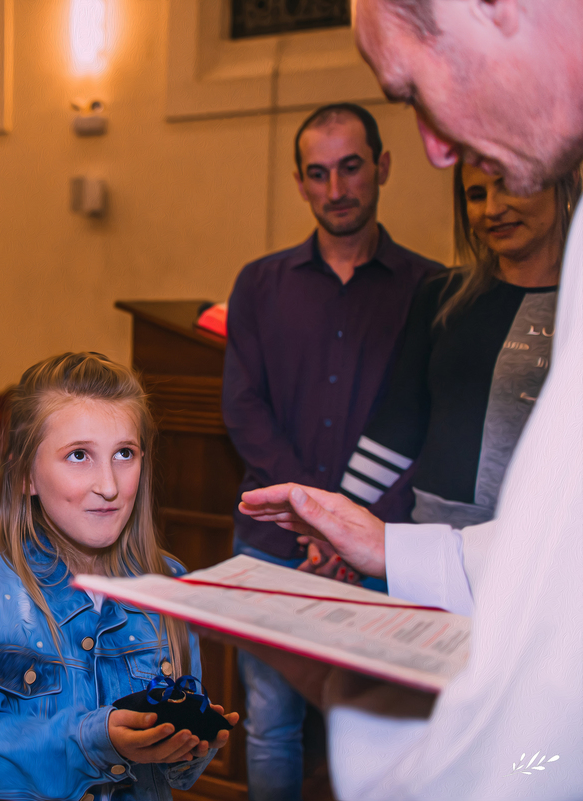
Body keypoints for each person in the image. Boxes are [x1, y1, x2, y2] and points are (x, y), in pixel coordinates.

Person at [233, 0, 583, 797]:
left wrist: (361, 700)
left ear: (494, 10)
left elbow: (537, 751)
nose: (438, 149)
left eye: (413, 87)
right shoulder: (275, 283)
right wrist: (385, 544)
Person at [220, 101, 442, 800]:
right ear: (299, 181)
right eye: (318, 174)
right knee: (271, 724)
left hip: (383, 551)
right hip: (271, 542)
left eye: (350, 168)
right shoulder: (260, 282)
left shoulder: (435, 290)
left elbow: (428, 429)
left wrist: (355, 533)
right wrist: (315, 519)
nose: (336, 189)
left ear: (382, 166)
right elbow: (243, 407)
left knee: (384, 726)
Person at [0, 352, 238, 801]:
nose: (110, 485)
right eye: (79, 455)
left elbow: (176, 778)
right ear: (25, 475)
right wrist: (95, 740)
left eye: (124, 454)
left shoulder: (169, 584)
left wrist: (186, 746)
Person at [339, 162, 580, 527]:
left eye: (511, 186)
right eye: (476, 195)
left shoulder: (575, 305)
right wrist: (338, 517)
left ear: (562, 183)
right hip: (434, 540)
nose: (492, 209)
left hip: (545, 548)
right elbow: (402, 420)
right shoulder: (442, 294)